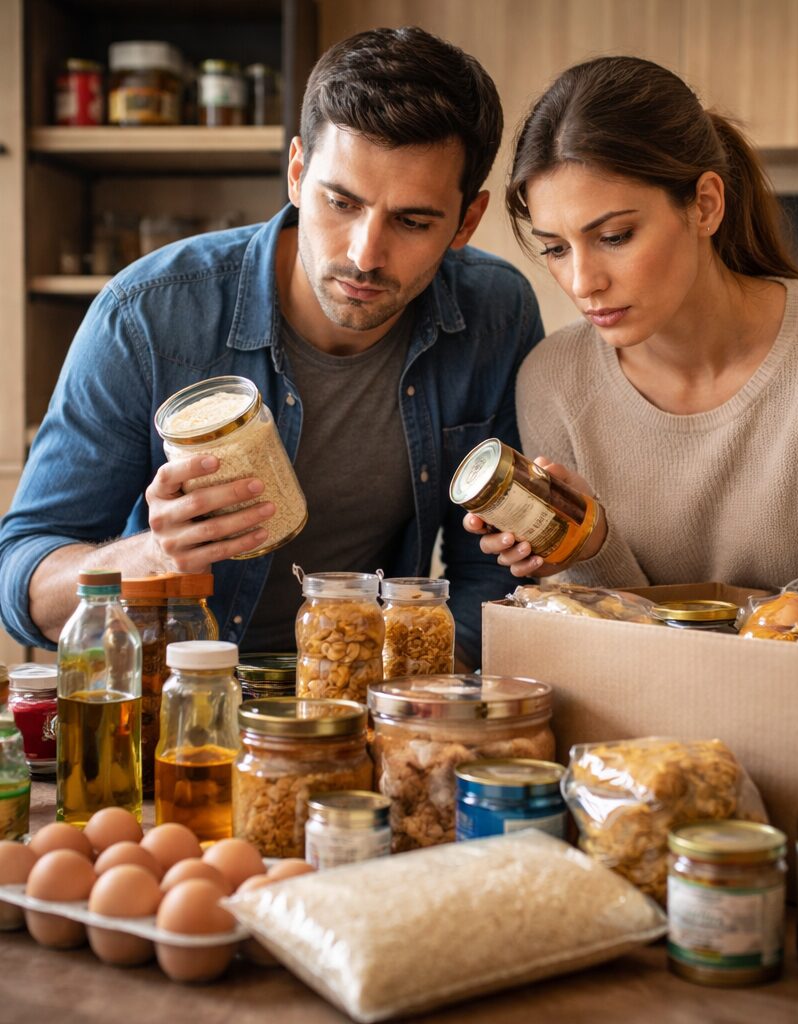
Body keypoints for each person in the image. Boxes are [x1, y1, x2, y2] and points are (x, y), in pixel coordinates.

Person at [0, 27, 542, 667]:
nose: (364, 255)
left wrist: (421, 703)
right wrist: (152, 556)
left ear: (467, 222)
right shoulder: (147, 314)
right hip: (174, 698)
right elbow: (21, 584)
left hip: (364, 691)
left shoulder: (493, 312)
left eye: (413, 221)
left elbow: (486, 572)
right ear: (295, 172)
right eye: (340, 202)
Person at [466, 56, 798, 590]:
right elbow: (593, 640)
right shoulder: (553, 378)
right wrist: (589, 543)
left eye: (614, 237)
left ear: (706, 205)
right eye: (555, 248)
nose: (582, 282)